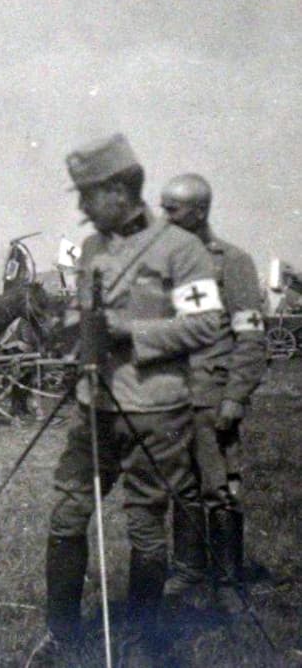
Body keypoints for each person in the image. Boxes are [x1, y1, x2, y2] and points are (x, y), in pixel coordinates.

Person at [29, 134, 222, 665]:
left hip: (155, 412)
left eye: (87, 195)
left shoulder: (182, 250)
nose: (80, 208)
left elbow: (206, 325)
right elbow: (92, 321)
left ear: (118, 190)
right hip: (96, 407)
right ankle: (60, 636)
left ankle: (140, 640)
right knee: (66, 512)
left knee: (145, 525)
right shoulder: (92, 249)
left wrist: (130, 332)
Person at [159, 174, 266, 613]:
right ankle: (187, 571)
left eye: (173, 209)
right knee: (179, 488)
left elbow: (251, 338)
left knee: (219, 489)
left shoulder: (232, 262)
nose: (163, 217)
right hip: (171, 401)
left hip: (213, 399)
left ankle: (227, 579)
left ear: (199, 211)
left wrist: (235, 397)